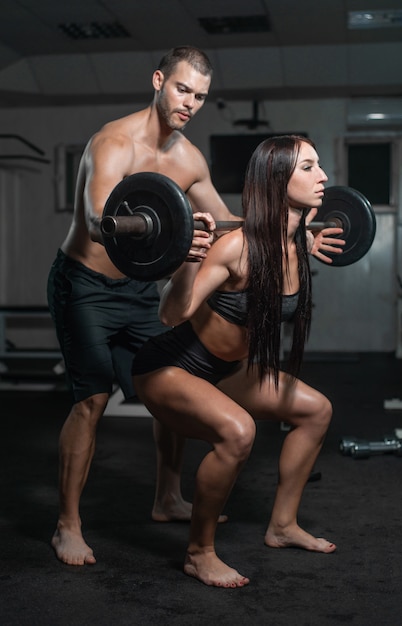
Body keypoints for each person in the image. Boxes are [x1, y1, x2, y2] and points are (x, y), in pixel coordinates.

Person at [47, 45, 242, 567]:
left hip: (138, 291)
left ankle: (166, 498)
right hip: (84, 283)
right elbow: (96, 222)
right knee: (92, 399)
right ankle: (68, 523)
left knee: (166, 384)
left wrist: (288, 232)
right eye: (182, 89)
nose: (190, 103)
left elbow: (224, 222)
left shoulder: (188, 160)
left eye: (200, 96)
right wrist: (179, 245)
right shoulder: (112, 141)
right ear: (159, 80)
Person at [132, 135, 345, 588]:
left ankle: (283, 525)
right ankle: (198, 552)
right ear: (275, 178)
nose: (323, 176)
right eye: (308, 167)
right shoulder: (234, 248)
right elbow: (170, 315)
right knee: (238, 431)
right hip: (171, 366)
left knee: (316, 410)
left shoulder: (295, 243)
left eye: (319, 165)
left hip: (227, 371)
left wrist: (305, 241)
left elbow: (287, 246)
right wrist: (189, 258)